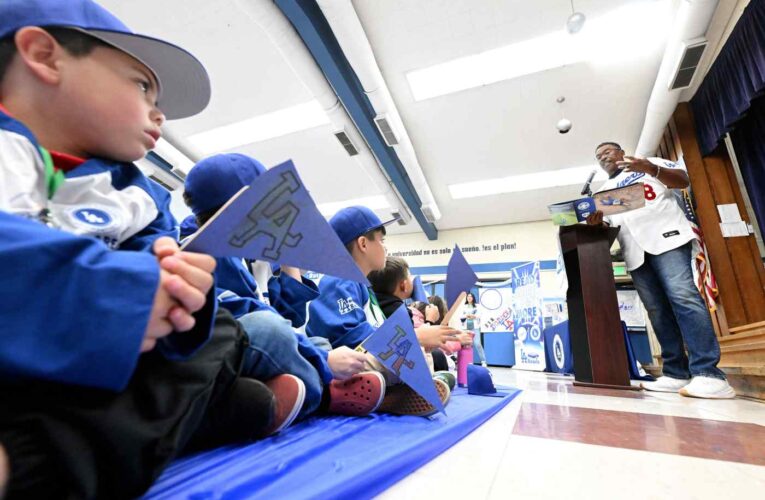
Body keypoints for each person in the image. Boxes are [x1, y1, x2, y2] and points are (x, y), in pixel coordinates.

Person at [0, 1, 298, 496]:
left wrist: (179, 295)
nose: (159, 112)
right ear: (44, 56)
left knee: (218, 326)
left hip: (92, 373)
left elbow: (158, 287)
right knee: (238, 350)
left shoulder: (138, 194)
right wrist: (122, 293)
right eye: (142, 85)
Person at [182, 153, 386, 418]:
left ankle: (318, 386)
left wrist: (290, 259)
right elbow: (263, 322)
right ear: (242, 209)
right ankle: (328, 395)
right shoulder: (204, 254)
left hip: (259, 345)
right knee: (273, 332)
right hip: (220, 352)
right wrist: (322, 361)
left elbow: (288, 313)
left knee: (315, 341)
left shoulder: (252, 256)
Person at [587, 141, 735, 399]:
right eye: (598, 156)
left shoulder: (648, 163)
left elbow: (682, 180)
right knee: (656, 310)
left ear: (621, 151)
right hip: (635, 253)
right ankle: (676, 372)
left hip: (667, 240)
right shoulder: (604, 192)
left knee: (683, 298)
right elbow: (608, 230)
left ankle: (709, 374)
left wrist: (650, 168)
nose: (603, 157)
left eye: (607, 152)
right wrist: (596, 223)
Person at [306, 206, 456, 416]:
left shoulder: (357, 283)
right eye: (381, 241)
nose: (385, 248)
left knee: (414, 354)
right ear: (363, 243)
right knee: (410, 353)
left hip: (358, 358)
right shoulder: (339, 279)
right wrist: (415, 338)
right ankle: (377, 393)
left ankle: (389, 394)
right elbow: (350, 341)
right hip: (333, 363)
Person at [368, 256, 452, 371]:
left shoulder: (370, 304)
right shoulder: (401, 311)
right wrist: (429, 321)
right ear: (404, 285)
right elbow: (413, 347)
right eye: (410, 277)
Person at [461, 292, 488, 367]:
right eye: (468, 296)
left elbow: (480, 314)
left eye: (470, 296)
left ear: (473, 298)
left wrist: (474, 316)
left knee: (477, 344)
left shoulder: (477, 306)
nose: (469, 298)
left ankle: (483, 361)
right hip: (466, 327)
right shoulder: (463, 306)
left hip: (475, 327)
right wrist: (466, 316)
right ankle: (469, 361)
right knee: (468, 344)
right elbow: (461, 316)